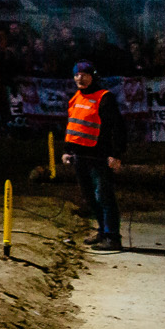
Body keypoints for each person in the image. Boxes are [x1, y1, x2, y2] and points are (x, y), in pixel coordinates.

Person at [62, 60, 127, 251]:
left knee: (104, 197)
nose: (80, 78)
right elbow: (73, 126)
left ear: (93, 76)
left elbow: (118, 128)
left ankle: (112, 237)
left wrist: (116, 154)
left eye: (84, 75)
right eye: (77, 75)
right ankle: (102, 231)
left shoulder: (104, 98)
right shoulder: (76, 97)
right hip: (80, 156)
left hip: (99, 156)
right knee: (90, 197)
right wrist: (67, 150)